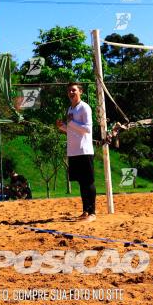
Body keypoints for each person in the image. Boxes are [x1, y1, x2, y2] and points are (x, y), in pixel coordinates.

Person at [56, 82, 96, 221]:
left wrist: (71, 123)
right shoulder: (70, 109)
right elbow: (71, 130)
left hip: (84, 150)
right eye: (69, 91)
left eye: (74, 90)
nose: (71, 93)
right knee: (81, 182)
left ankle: (92, 213)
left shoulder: (84, 107)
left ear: (80, 92)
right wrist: (63, 127)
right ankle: (85, 211)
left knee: (88, 182)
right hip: (73, 151)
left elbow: (88, 129)